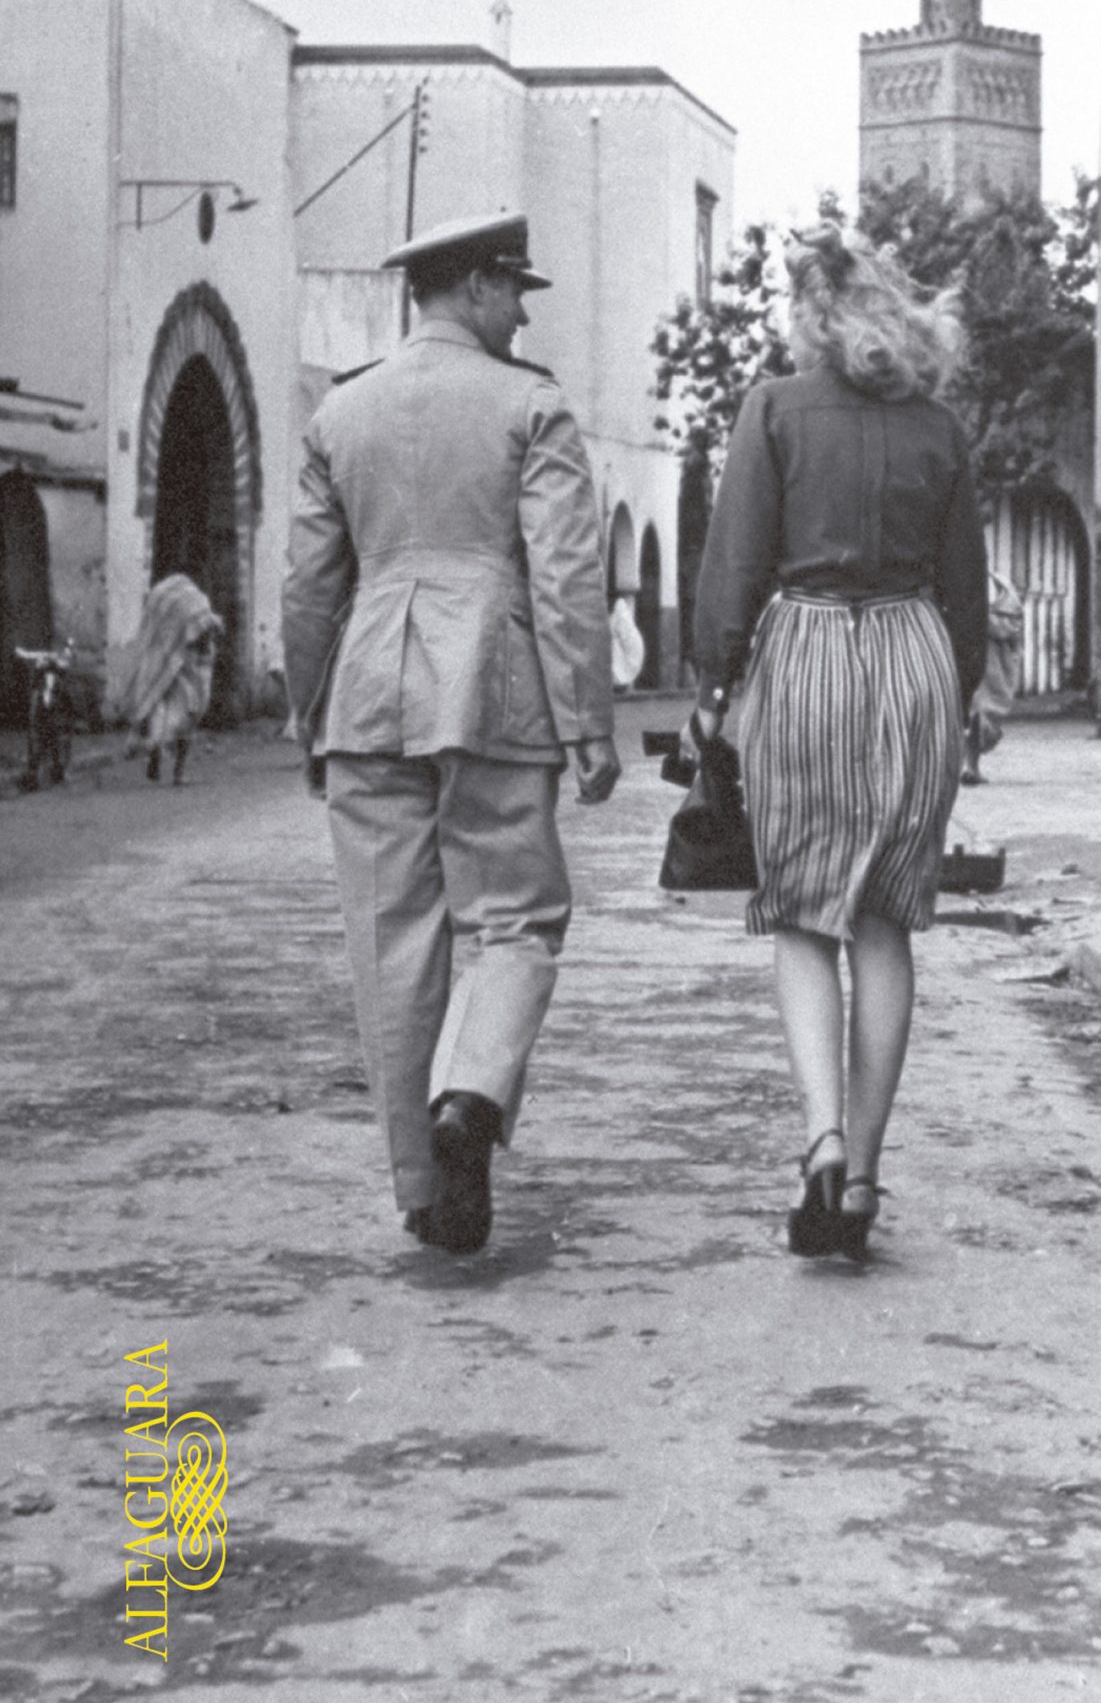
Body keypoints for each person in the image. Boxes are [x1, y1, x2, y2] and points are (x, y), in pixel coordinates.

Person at [281, 212, 618, 1257]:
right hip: (495, 693)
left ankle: (426, 1194)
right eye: (515, 289)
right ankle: (469, 1097)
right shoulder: (532, 405)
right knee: (518, 918)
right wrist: (586, 721)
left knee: (391, 945)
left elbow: (308, 586)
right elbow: (566, 575)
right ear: (473, 285)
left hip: (366, 697)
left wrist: (307, 712)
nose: (522, 313)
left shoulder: (341, 412)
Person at [693, 226, 988, 1260]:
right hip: (913, 652)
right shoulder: (939, 429)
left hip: (807, 650)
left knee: (801, 914)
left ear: (808, 316)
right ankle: (860, 1174)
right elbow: (965, 590)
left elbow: (736, 562)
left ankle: (819, 1136)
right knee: (885, 921)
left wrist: (714, 683)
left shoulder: (773, 409)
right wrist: (957, 692)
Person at [122, 574, 222, 785]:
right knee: (180, 722)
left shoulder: (195, 606)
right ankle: (173, 768)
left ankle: (162, 758)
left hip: (190, 672)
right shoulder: (196, 606)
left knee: (176, 721)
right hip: (184, 672)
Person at [960, 566, 1025, 785]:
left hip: (991, 661)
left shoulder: (998, 585)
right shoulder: (988, 583)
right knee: (974, 713)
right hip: (974, 657)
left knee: (981, 714)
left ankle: (970, 766)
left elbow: (1011, 623)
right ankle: (969, 767)